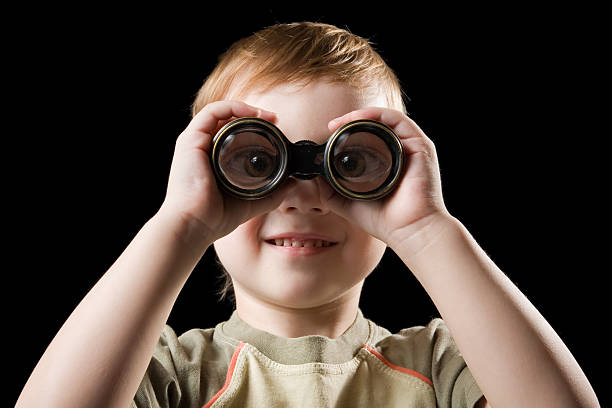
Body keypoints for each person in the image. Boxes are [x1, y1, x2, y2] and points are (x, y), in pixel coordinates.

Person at [16, 22, 599, 408]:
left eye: (349, 162)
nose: (302, 195)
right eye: (253, 162)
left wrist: (426, 230)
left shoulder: (442, 363)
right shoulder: (172, 371)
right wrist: (180, 224)